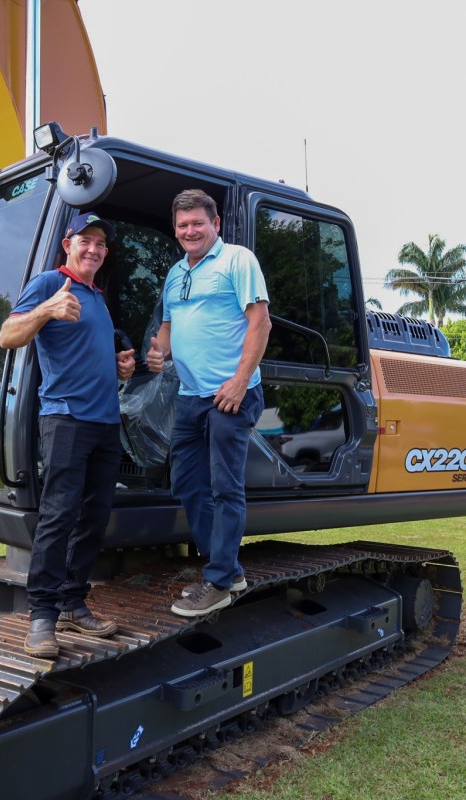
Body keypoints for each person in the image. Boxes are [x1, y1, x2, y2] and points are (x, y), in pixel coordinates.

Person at [0, 212, 136, 657]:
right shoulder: (49, 284)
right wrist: (46, 310)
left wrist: (120, 367)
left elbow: (87, 354)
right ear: (68, 245)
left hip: (105, 423)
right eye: (85, 241)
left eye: (100, 244)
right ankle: (42, 616)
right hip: (66, 420)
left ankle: (73, 603)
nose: (93, 249)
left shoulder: (97, 296)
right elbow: (7, 336)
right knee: (59, 515)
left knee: (94, 517)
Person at [145, 189, 271, 617]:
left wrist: (239, 381)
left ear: (215, 223)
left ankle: (218, 581)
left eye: (198, 222)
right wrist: (159, 351)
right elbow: (168, 327)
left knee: (224, 486)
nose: (190, 231)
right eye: (183, 225)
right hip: (190, 396)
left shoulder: (238, 260)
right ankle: (227, 569)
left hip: (230, 394)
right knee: (186, 483)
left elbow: (260, 322)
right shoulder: (175, 273)